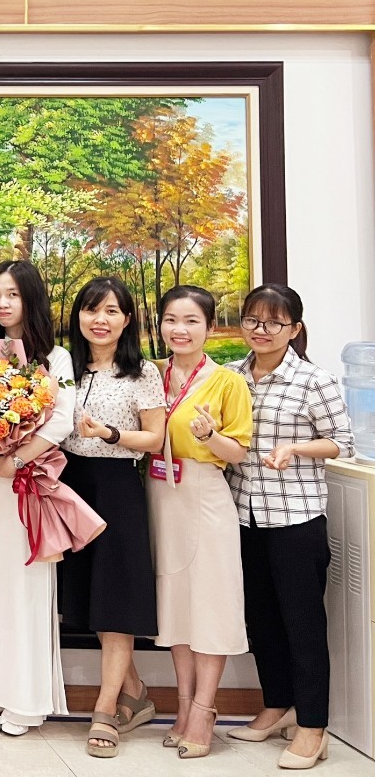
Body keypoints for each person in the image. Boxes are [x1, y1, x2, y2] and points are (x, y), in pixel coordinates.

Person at [225, 283, 353, 770]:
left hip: (296, 518)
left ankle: (313, 726)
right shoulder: (232, 376)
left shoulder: (313, 380)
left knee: (303, 625)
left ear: (294, 329)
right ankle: (277, 705)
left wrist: (295, 448)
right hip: (244, 514)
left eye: (274, 322)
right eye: (252, 320)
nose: (261, 330)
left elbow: (343, 442)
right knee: (261, 619)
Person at [58, 276, 165, 759]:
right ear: (77, 316)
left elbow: (155, 439)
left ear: (126, 320)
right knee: (92, 596)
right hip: (69, 484)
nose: (99, 319)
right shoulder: (65, 369)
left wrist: (110, 434)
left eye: (111, 311)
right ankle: (136, 693)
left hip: (117, 487)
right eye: (90, 309)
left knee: (116, 597)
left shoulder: (141, 372)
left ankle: (105, 710)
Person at [147, 285, 252, 759]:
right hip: (160, 497)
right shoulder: (153, 374)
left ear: (210, 327)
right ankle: (184, 706)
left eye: (191, 321)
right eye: (171, 319)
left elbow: (239, 453)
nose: (180, 329)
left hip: (205, 496)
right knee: (176, 604)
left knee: (210, 604)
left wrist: (210, 435)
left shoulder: (227, 382)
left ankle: (205, 710)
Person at [0, 260, 73, 737]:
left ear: (31, 298)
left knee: (25, 586)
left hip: (26, 483)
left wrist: (15, 457)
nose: (2, 303)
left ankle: (26, 699)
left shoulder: (56, 357)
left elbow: (62, 419)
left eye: (12, 294)